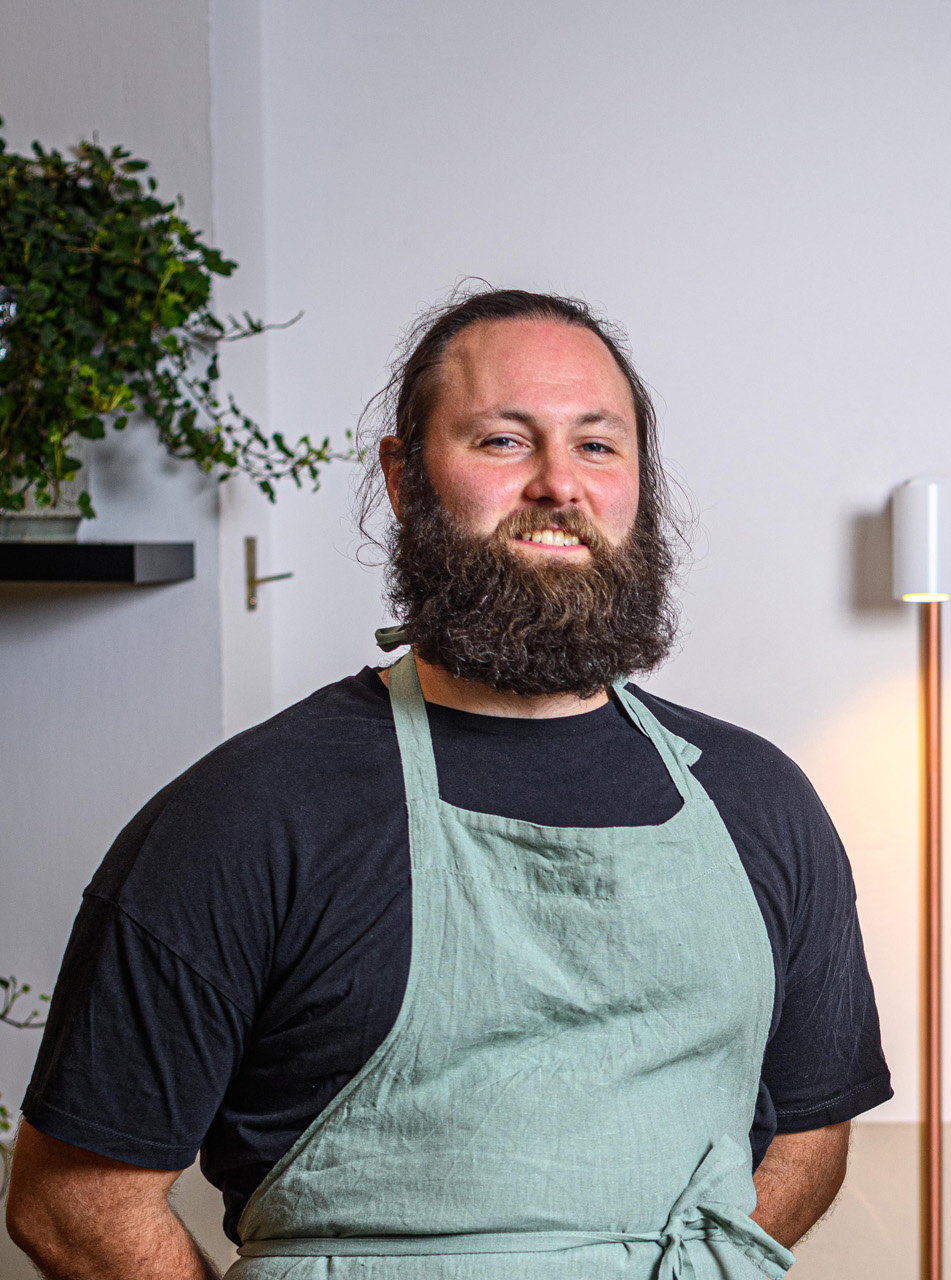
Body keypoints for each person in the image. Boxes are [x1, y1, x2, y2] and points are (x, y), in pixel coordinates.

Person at [5, 289, 892, 1279]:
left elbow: (811, 1128)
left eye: (598, 446)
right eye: (503, 441)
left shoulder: (761, 800)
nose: (559, 483)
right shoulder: (248, 815)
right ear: (403, 477)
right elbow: (74, 1201)